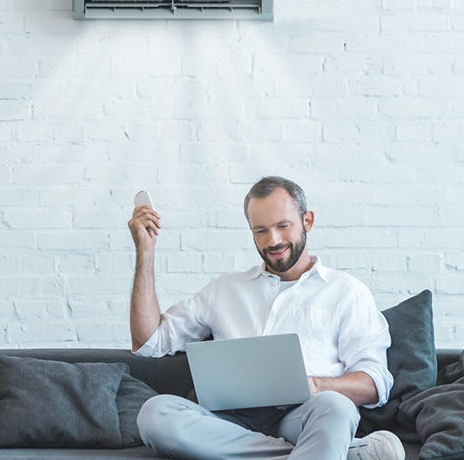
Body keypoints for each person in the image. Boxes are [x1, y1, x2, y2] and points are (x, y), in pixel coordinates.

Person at [127, 176, 405, 460]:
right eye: (260, 230)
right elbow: (150, 340)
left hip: (305, 415)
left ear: (307, 221)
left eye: (283, 226)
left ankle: (312, 447)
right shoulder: (224, 289)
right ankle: (323, 454)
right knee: (154, 414)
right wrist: (145, 251)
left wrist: (315, 385)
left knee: (338, 407)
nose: (272, 240)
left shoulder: (347, 291)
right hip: (230, 420)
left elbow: (374, 384)